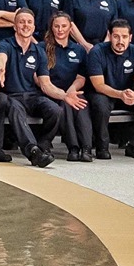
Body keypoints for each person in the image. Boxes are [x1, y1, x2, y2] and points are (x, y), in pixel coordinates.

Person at [0, 8, 56, 168]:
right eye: (21, 22)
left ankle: (43, 145)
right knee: (16, 109)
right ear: (15, 26)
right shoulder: (6, 44)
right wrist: (0, 69)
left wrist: (65, 96)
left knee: (55, 110)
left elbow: (45, 83)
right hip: (11, 95)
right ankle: (33, 151)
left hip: (31, 96)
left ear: (34, 26)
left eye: (29, 22)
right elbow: (0, 58)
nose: (25, 25)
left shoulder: (39, 51)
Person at [84, 18, 134, 160]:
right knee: (100, 103)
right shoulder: (97, 52)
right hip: (104, 93)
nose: (120, 41)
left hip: (126, 95)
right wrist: (120, 94)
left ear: (130, 38)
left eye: (124, 37)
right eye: (116, 36)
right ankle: (102, 147)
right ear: (109, 36)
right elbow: (98, 85)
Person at [38, 13, 92, 162]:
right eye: (56, 26)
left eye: (64, 26)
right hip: (52, 93)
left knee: (81, 103)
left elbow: (81, 77)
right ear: (51, 28)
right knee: (66, 104)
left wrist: (72, 89)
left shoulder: (79, 50)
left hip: (72, 90)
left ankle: (86, 148)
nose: (60, 30)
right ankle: (73, 148)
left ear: (70, 28)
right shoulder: (42, 48)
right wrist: (62, 94)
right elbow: (39, 78)